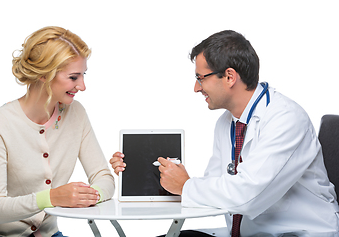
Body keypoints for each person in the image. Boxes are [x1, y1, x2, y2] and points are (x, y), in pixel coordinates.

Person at [110, 30, 339, 236]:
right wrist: (150, 179)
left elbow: (248, 196)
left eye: (201, 78)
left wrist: (187, 186)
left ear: (229, 76)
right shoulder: (227, 122)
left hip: (298, 232)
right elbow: (213, 189)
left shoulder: (285, 118)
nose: (196, 88)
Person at [0, 26, 115, 237]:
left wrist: (87, 196)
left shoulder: (76, 113)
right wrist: (51, 198)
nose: (82, 86)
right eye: (73, 77)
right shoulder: (0, 122)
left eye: (83, 75)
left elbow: (103, 177)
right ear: (44, 75)